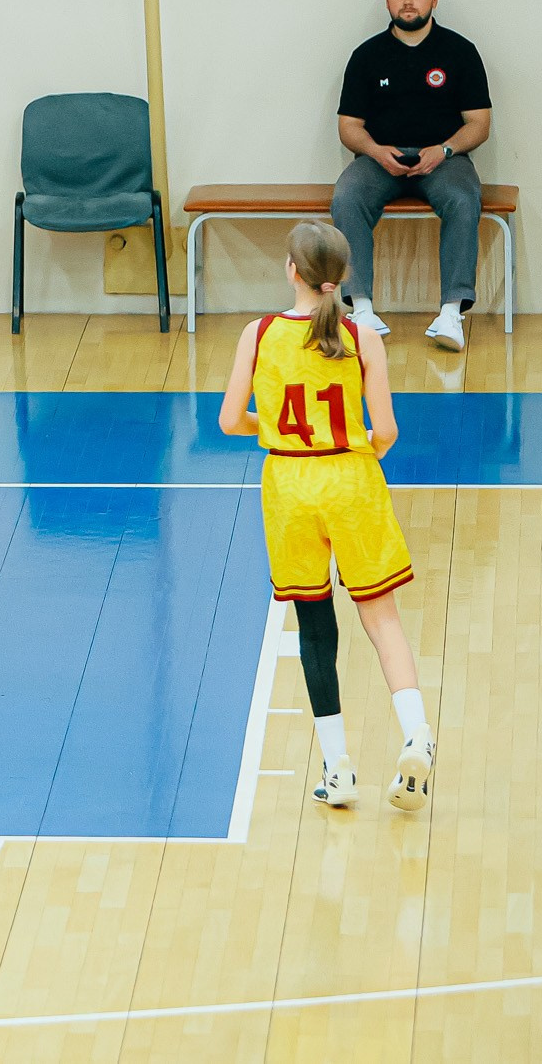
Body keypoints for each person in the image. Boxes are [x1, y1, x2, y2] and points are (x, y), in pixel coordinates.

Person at [217, 222, 435, 813]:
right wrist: (355, 441)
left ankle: (338, 770)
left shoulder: (259, 334)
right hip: (352, 480)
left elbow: (229, 421)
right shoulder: (363, 337)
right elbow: (386, 431)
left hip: (289, 486)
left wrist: (277, 430)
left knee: (315, 629)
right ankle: (417, 735)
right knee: (381, 617)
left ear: (292, 269)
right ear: (342, 277)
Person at [330, 0, 491, 353]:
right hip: (379, 159)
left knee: (464, 198)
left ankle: (451, 314)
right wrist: (374, 151)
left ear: (433, 0)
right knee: (346, 196)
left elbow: (479, 124)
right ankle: (362, 311)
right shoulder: (367, 56)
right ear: (388, 0)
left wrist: (446, 150)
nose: (408, 1)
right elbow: (349, 126)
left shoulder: (460, 52)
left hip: (444, 159)